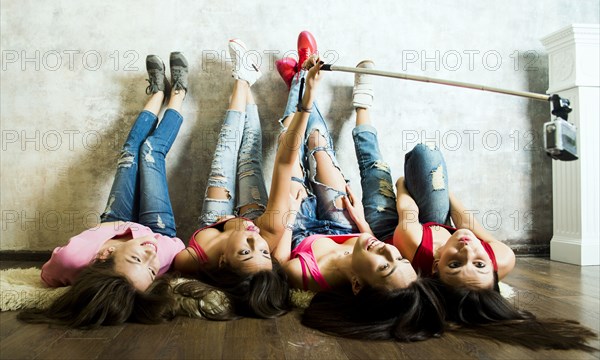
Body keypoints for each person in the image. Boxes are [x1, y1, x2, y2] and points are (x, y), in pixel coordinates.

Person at [349, 62, 597, 351]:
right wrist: (441, 188)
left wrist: (402, 183)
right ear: (492, 271)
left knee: (376, 168)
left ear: (436, 268)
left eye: (455, 263)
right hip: (434, 223)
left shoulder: (415, 246)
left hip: (395, 229)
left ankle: (362, 104)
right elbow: (466, 225)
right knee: (427, 155)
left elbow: (408, 210)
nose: (468, 248)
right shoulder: (501, 257)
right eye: (479, 263)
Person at [273, 32, 445, 342]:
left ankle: (300, 77)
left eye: (384, 267)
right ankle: (301, 80)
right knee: (318, 145)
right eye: (399, 258)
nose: (387, 250)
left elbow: (278, 260)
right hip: (341, 223)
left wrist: (289, 213)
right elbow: (370, 239)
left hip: (296, 226)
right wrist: (360, 220)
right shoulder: (370, 246)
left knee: (287, 147)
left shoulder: (306, 277)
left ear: (357, 285)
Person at [18, 53, 190, 328]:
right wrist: (152, 250)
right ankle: (179, 93)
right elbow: (177, 246)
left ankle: (157, 93)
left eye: (136, 259)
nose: (149, 256)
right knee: (149, 152)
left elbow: (48, 277)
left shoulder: (72, 259)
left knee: (129, 153)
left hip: (114, 223)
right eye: (152, 270)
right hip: (156, 228)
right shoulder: (159, 252)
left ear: (103, 255)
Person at [173, 39, 291, 319]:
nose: (255, 244)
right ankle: (245, 77)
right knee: (249, 154)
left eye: (245, 253)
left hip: (214, 219)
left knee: (226, 147)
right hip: (254, 215)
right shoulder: (266, 244)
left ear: (223, 261)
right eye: (263, 254)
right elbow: (281, 237)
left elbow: (174, 285)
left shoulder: (191, 260)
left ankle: (243, 78)